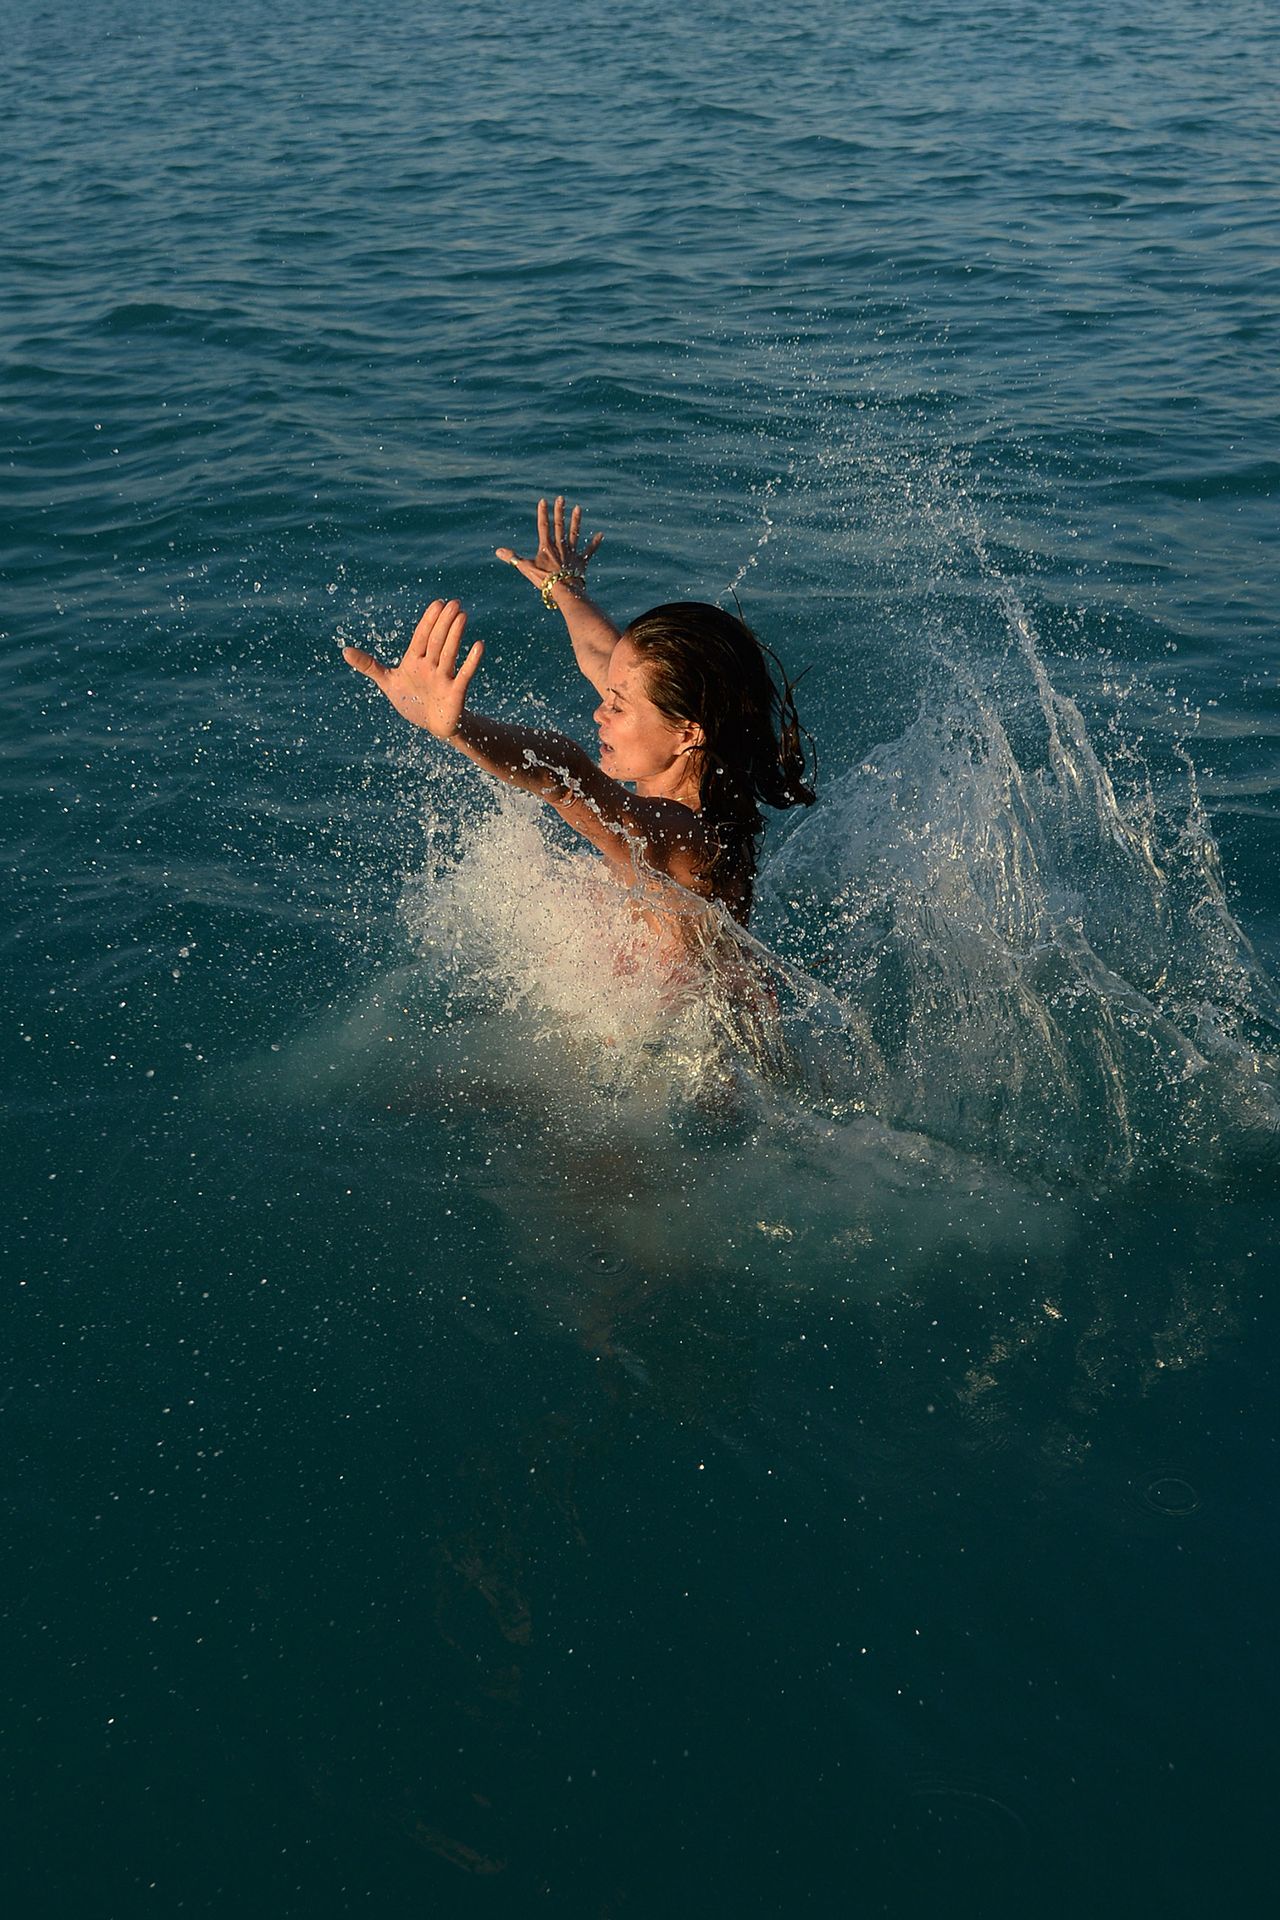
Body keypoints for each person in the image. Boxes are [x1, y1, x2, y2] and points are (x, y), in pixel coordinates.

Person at [343, 497, 815, 947]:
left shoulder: (689, 839)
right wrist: (562, 588)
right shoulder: (690, 763)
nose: (599, 710)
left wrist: (457, 727)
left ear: (688, 732)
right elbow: (602, 657)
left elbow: (561, 775)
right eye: (609, 695)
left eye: (619, 705)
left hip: (683, 1032)